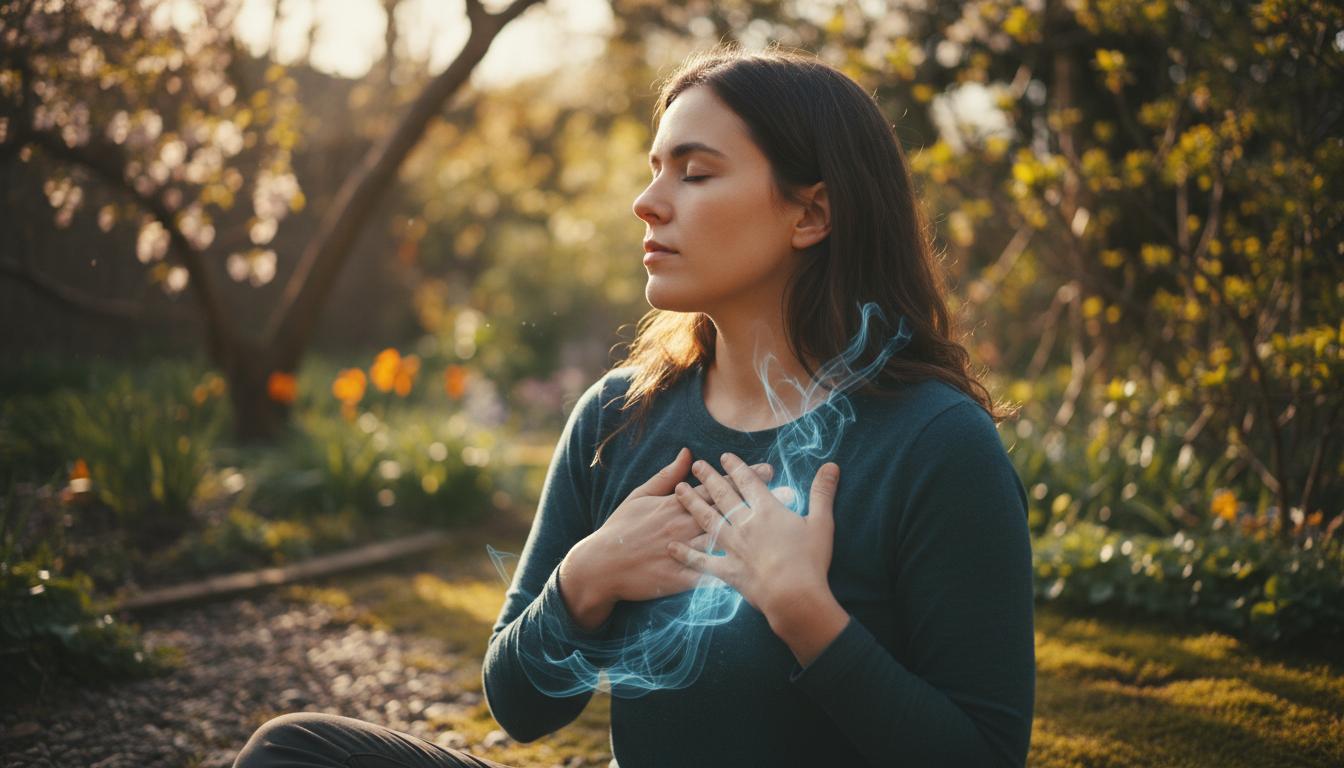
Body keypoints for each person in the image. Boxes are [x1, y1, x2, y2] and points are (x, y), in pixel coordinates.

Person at [234, 43, 1034, 768]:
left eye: (695, 171)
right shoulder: (620, 416)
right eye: (655, 168)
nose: (647, 203)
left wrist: (805, 614)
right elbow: (520, 707)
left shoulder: (932, 443)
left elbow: (985, 755)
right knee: (293, 753)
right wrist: (585, 577)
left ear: (812, 213)